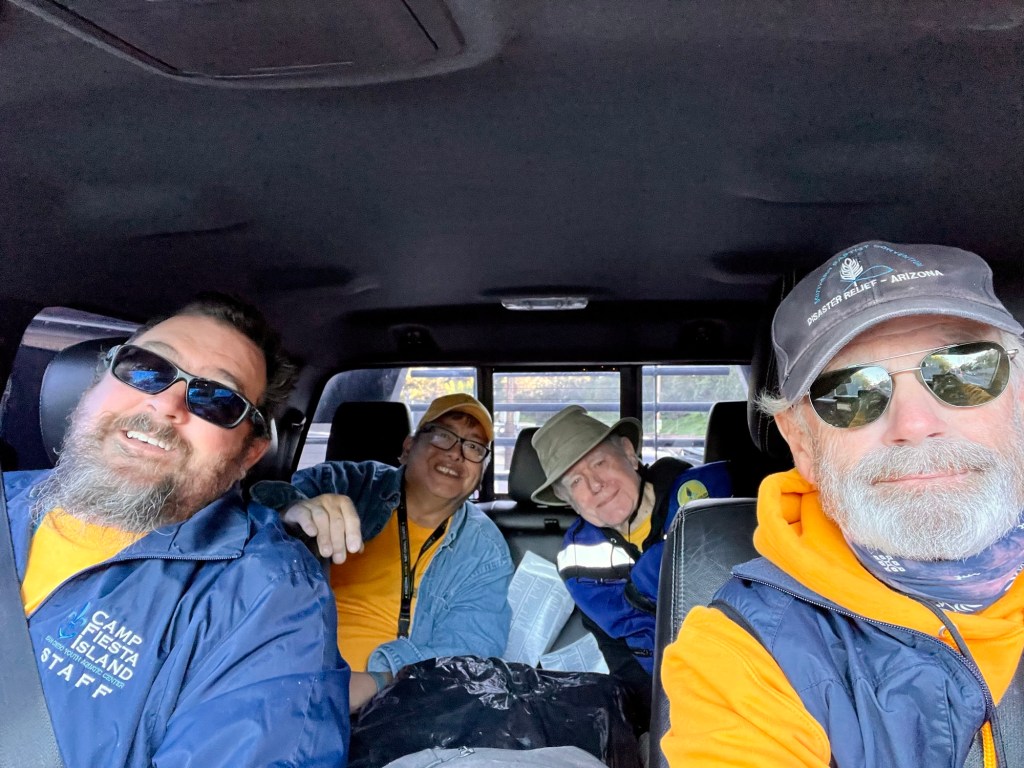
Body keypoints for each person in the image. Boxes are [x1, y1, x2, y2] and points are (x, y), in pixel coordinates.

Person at [661, 240, 1024, 766]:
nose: (915, 424)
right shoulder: (743, 653)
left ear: (1019, 397)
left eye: (964, 371)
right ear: (803, 444)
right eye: (850, 393)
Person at [10, 295, 349, 768]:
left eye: (216, 399)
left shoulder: (267, 597)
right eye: (145, 369)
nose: (166, 403)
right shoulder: (7, 497)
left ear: (249, 454)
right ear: (96, 384)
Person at [251, 393, 513, 712]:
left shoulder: (484, 549)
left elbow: (471, 650)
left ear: (481, 471)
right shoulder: (342, 483)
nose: (457, 453)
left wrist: (378, 681)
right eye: (443, 435)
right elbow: (254, 507)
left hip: (397, 704)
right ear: (408, 447)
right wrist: (290, 512)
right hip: (281, 671)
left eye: (474, 447)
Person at [530, 406, 732, 712]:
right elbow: (620, 654)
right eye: (575, 482)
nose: (594, 484)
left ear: (628, 453)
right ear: (567, 499)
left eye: (600, 462)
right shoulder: (576, 559)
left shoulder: (711, 493)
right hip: (669, 699)